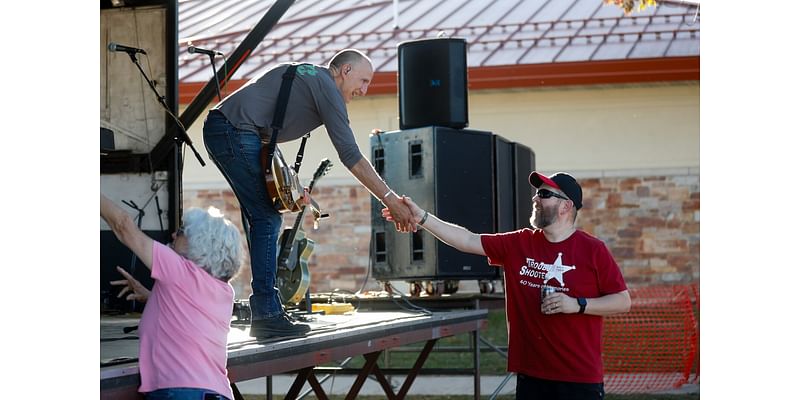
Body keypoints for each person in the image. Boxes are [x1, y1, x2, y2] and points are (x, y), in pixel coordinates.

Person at [203, 48, 415, 339]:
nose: (365, 90)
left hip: (230, 128)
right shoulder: (326, 87)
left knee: (263, 216)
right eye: (363, 81)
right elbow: (350, 154)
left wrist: (289, 184)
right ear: (345, 71)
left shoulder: (311, 78)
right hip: (232, 130)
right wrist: (390, 199)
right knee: (267, 219)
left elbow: (266, 132)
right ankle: (266, 314)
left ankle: (266, 309)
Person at [383, 171, 631, 400]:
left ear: (566, 206)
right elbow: (467, 240)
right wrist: (422, 217)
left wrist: (577, 304)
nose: (535, 198)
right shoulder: (520, 243)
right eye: (537, 192)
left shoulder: (593, 250)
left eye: (544, 194)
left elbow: (622, 301)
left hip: (579, 379)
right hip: (531, 375)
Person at [101, 194, 243, 400]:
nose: (174, 235)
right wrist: (149, 295)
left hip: (181, 392)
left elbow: (123, 226)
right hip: (215, 392)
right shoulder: (223, 291)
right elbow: (186, 317)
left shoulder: (179, 270)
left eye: (182, 231)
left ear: (200, 243)